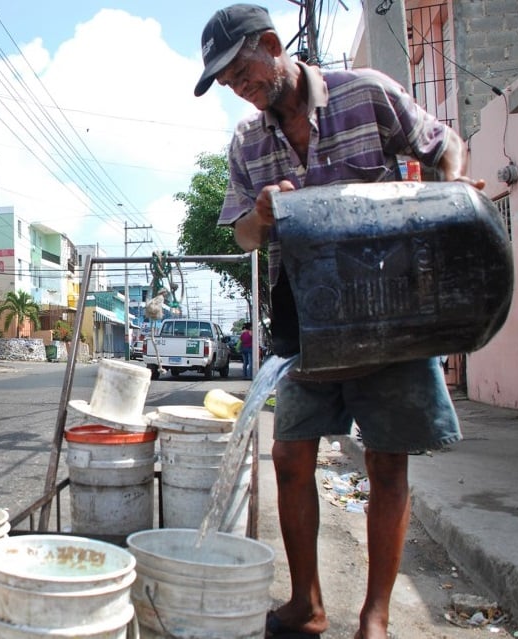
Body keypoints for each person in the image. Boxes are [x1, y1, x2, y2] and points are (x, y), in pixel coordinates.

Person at [193, 5, 484, 639]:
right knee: (289, 456)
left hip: (389, 314)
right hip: (308, 321)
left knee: (387, 462)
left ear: (273, 45)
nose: (238, 88)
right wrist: (261, 215)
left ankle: (374, 617)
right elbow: (243, 237)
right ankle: (308, 604)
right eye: (228, 83)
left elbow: (445, 147)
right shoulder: (247, 143)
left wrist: (448, 201)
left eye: (241, 71)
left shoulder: (367, 95)